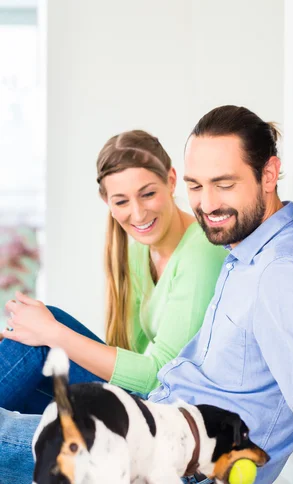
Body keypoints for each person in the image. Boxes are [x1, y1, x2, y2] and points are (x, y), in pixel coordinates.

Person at [0, 106, 293, 484]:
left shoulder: (281, 278)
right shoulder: (247, 252)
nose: (206, 203)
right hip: (153, 420)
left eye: (225, 183)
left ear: (270, 174)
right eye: (195, 186)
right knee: (30, 346)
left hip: (178, 478)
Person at [0, 129, 226, 411]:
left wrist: (52, 333)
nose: (139, 213)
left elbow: (159, 377)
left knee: (43, 337)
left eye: (148, 194)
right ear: (106, 201)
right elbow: (127, 357)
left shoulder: (202, 251)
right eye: (121, 201)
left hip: (173, 409)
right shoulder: (138, 252)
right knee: (29, 351)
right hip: (146, 400)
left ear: (170, 180)